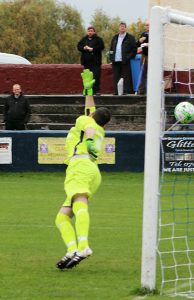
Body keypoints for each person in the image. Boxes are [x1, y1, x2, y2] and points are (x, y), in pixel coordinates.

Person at [55, 69, 111, 270]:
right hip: (91, 170)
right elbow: (91, 112)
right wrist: (88, 90)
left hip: (80, 165)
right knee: (62, 216)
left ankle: (84, 245)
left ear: (93, 116)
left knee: (79, 202)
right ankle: (72, 249)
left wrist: (87, 141)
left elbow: (87, 124)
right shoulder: (100, 127)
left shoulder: (86, 122)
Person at [109, 22, 137, 95]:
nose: (122, 28)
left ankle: (125, 91)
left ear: (125, 28)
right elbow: (111, 49)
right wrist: (111, 58)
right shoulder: (115, 37)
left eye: (123, 26)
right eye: (121, 26)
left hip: (125, 61)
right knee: (116, 76)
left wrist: (128, 57)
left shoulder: (130, 38)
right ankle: (117, 91)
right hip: (115, 61)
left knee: (125, 77)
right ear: (119, 28)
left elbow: (134, 49)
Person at [77, 26, 105, 95]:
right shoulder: (84, 39)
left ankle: (96, 91)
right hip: (86, 62)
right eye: (89, 31)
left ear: (94, 32)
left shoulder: (98, 39)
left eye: (91, 31)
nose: (90, 32)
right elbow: (78, 46)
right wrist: (84, 48)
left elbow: (101, 47)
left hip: (96, 62)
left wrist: (92, 49)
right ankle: (88, 90)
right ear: (87, 32)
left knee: (96, 76)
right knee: (87, 77)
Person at [136, 21, 149, 95]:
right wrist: (140, 40)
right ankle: (141, 90)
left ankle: (150, 90)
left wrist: (148, 44)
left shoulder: (154, 33)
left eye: (148, 25)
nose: (147, 26)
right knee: (142, 72)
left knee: (150, 73)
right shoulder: (143, 34)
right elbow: (137, 44)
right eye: (146, 25)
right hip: (143, 55)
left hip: (151, 56)